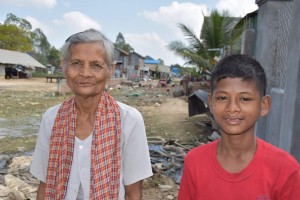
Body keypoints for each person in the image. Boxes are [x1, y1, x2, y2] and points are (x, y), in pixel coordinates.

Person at [30, 29, 153, 200]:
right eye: (76, 63)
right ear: (64, 66)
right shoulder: (51, 118)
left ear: (110, 70)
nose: (85, 73)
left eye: (96, 65)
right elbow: (44, 185)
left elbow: (133, 191)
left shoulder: (129, 120)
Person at [178, 54, 300, 200]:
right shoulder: (194, 162)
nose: (232, 108)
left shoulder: (285, 169)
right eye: (222, 98)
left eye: (244, 99)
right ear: (211, 103)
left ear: (264, 105)